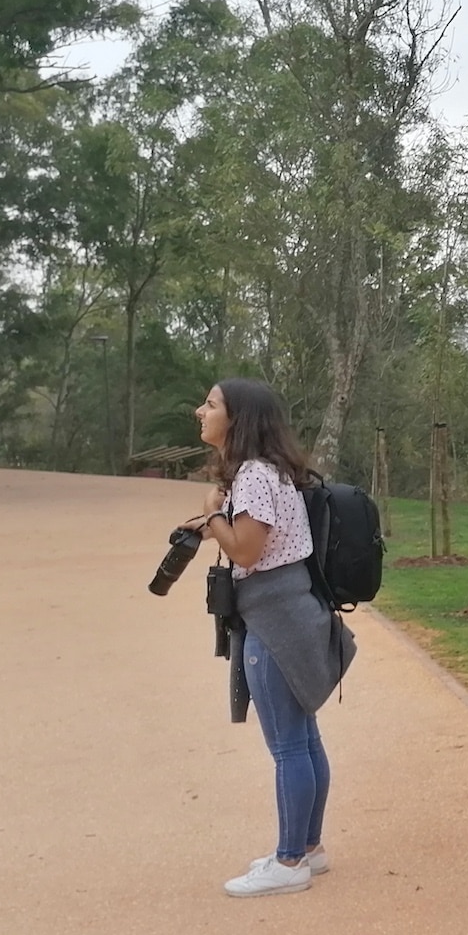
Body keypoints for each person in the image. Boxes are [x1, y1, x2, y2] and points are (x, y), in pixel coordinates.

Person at [187, 379, 355, 897]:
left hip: (276, 621)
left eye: (211, 405)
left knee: (288, 747)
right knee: (304, 739)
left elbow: (246, 552)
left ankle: (287, 863)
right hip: (293, 614)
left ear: (237, 419)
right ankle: (307, 848)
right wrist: (220, 509)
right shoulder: (267, 472)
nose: (201, 411)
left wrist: (213, 515)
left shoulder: (256, 475)